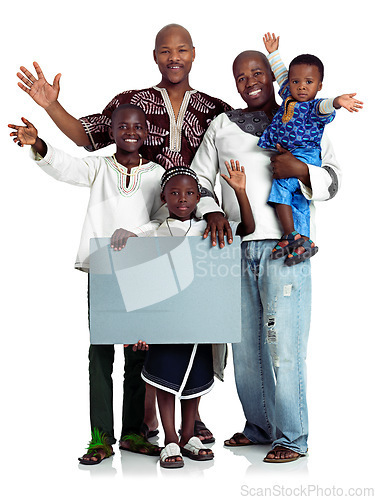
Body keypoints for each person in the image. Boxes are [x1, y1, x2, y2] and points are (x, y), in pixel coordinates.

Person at [16, 23, 231, 444]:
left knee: (190, 323)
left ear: (193, 54)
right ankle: (142, 424)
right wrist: (51, 108)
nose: (174, 57)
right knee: (139, 332)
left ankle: (185, 413)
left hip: (197, 226)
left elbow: (238, 149)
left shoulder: (215, 108)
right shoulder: (130, 103)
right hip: (144, 233)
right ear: (155, 55)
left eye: (182, 49)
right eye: (165, 50)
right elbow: (85, 139)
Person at [190, 48, 342, 462]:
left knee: (285, 346)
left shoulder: (306, 117)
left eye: (257, 72)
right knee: (246, 346)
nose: (249, 81)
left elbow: (334, 179)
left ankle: (292, 437)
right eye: (240, 76)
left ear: (271, 77)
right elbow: (199, 179)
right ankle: (259, 426)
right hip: (235, 248)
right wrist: (213, 209)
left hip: (285, 248)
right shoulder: (222, 125)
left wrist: (302, 171)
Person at [9, 104, 167, 464]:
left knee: (138, 353)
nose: (130, 132)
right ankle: (100, 437)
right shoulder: (99, 167)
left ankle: (132, 433)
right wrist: (40, 144)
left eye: (137, 126)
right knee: (101, 353)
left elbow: (162, 219)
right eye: (122, 126)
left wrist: (136, 233)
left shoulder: (157, 173)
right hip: (103, 270)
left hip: (141, 273)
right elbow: (65, 166)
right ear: (110, 133)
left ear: (146, 133)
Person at [113, 163, 254, 468]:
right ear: (163, 197)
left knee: (195, 379)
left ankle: (189, 435)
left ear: (198, 199)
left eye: (190, 193)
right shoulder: (154, 230)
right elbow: (134, 270)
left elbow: (247, 229)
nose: (182, 198)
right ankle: (170, 439)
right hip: (164, 322)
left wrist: (240, 192)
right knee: (165, 379)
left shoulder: (209, 227)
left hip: (199, 321)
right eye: (174, 193)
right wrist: (134, 326)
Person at [258, 33, 362, 266]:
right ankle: (304, 241)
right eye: (296, 82)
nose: (301, 87)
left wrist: (337, 101)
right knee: (299, 200)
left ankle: (289, 235)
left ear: (319, 85)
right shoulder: (287, 93)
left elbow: (326, 106)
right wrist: (273, 53)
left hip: (305, 154)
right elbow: (282, 73)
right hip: (289, 151)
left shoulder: (315, 106)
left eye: (309, 82)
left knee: (282, 186)